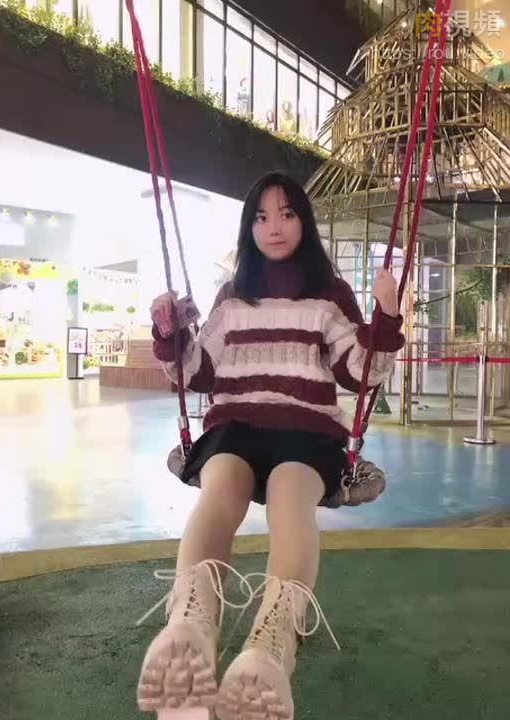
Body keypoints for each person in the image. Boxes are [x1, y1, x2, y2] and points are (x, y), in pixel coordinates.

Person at [137, 171, 401, 720]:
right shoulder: (232, 297)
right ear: (248, 227)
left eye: (286, 214)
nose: (274, 227)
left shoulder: (330, 294)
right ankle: (191, 624)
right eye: (261, 216)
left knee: (289, 494)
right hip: (236, 422)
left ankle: (271, 643)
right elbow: (199, 370)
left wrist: (387, 318)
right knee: (222, 487)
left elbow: (361, 372)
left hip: (307, 427)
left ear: (304, 221)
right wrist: (169, 333)